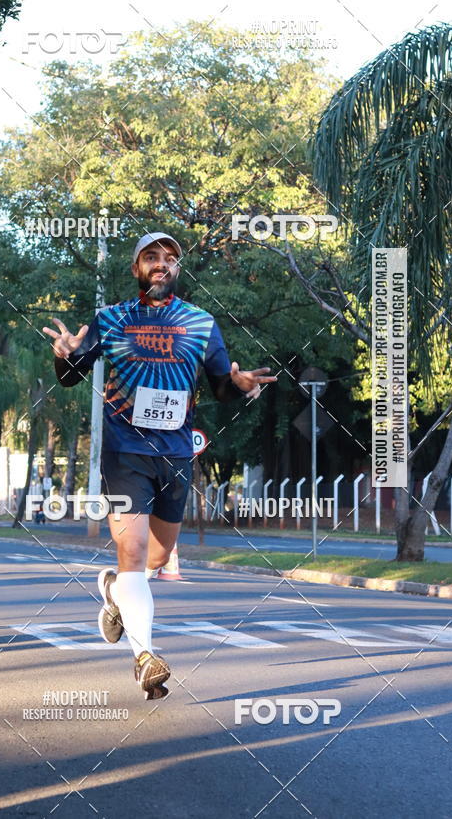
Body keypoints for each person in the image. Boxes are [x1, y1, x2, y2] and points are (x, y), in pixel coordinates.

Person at [44, 232, 276, 698]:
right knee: (132, 550)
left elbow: (221, 385)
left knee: (155, 556)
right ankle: (144, 658)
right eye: (151, 257)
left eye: (170, 258)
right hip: (125, 452)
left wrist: (240, 385)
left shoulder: (201, 322)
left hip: (175, 454)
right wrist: (65, 356)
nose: (161, 264)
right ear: (137, 268)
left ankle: (114, 591)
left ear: (177, 270)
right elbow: (72, 376)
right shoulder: (111, 319)